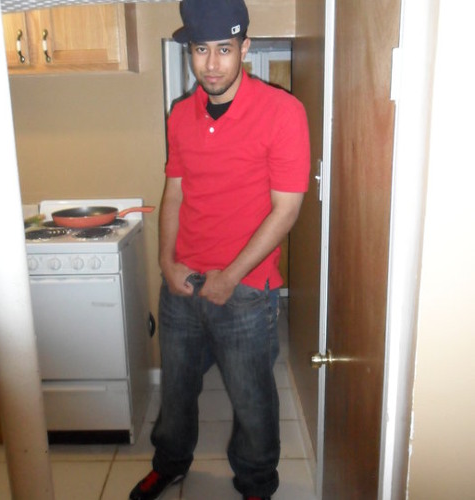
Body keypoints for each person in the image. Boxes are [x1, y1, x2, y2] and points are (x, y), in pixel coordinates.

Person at [129, 0, 310, 499]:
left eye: (224, 49)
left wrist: (230, 277)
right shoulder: (180, 115)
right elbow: (175, 193)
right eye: (200, 49)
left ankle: (255, 483)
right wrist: (166, 263)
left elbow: (286, 211)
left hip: (247, 290)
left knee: (252, 400)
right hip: (182, 283)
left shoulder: (283, 112)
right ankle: (170, 463)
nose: (211, 64)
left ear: (244, 48)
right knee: (177, 391)